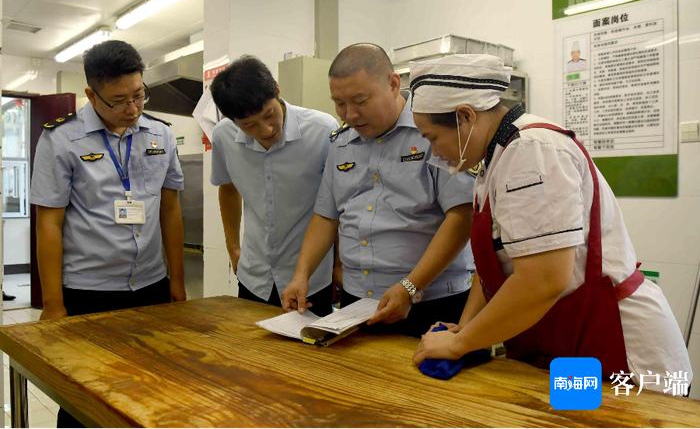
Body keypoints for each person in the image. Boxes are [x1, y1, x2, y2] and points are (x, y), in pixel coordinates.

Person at [410, 54, 692, 391]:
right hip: (567, 340)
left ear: (465, 117)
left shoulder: (532, 151)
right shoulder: (495, 159)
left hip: (615, 349)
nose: (434, 152)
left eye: (431, 138)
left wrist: (459, 344)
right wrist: (465, 328)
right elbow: (494, 270)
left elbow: (543, 280)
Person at [30, 40, 186, 426]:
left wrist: (177, 281)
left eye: (139, 96)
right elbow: (49, 221)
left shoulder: (160, 134)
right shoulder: (61, 138)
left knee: (150, 385)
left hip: (149, 284)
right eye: (118, 101)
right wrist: (53, 304)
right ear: (90, 94)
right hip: (87, 290)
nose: (132, 109)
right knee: (82, 394)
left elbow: (170, 209)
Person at [282, 43, 476, 338]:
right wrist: (301, 274)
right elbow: (326, 216)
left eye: (360, 100)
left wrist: (410, 287)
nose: (350, 114)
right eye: (339, 103)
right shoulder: (341, 143)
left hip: (430, 301)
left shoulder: (433, 132)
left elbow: (462, 217)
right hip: (357, 303)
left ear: (393, 83)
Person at [209, 55, 338, 316]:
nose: (266, 129)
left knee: (312, 355)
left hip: (312, 279)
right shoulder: (224, 137)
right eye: (249, 125)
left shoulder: (322, 130)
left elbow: (337, 204)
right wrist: (232, 246)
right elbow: (228, 188)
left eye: (270, 115)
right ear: (233, 121)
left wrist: (340, 264)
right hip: (254, 276)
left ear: (277, 90)